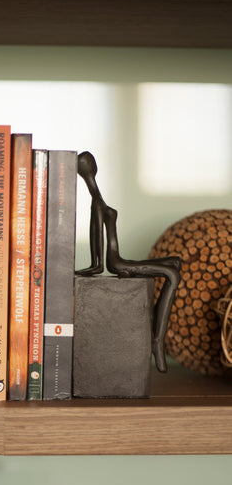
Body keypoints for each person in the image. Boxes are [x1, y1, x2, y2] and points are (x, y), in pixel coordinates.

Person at [76, 151, 181, 372]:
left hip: (120, 259)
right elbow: (99, 263)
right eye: (88, 164)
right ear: (85, 170)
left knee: (175, 263)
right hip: (117, 263)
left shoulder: (98, 197)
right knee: (172, 274)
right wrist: (88, 270)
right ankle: (157, 341)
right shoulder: (96, 203)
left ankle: (157, 332)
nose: (92, 167)